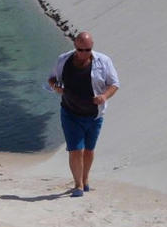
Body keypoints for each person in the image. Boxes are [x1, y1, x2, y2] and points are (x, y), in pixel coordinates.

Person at [47, 31, 119, 197]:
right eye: (81, 50)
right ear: (75, 47)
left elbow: (114, 83)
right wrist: (55, 87)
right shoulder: (63, 60)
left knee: (88, 150)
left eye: (88, 50)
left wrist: (104, 96)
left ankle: (85, 179)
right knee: (75, 150)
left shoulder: (104, 61)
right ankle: (78, 185)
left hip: (94, 115)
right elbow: (51, 79)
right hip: (69, 112)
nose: (85, 53)